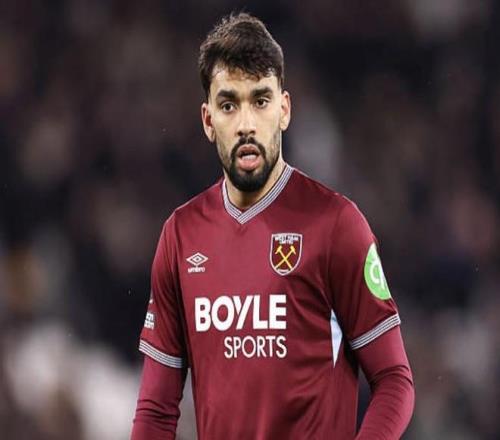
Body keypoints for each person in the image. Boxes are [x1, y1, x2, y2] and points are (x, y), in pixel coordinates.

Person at [131, 12, 414, 440]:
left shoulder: (336, 224)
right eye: (229, 105)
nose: (246, 124)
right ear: (208, 121)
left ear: (284, 109)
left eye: (260, 101)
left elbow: (394, 380)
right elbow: (155, 410)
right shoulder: (180, 235)